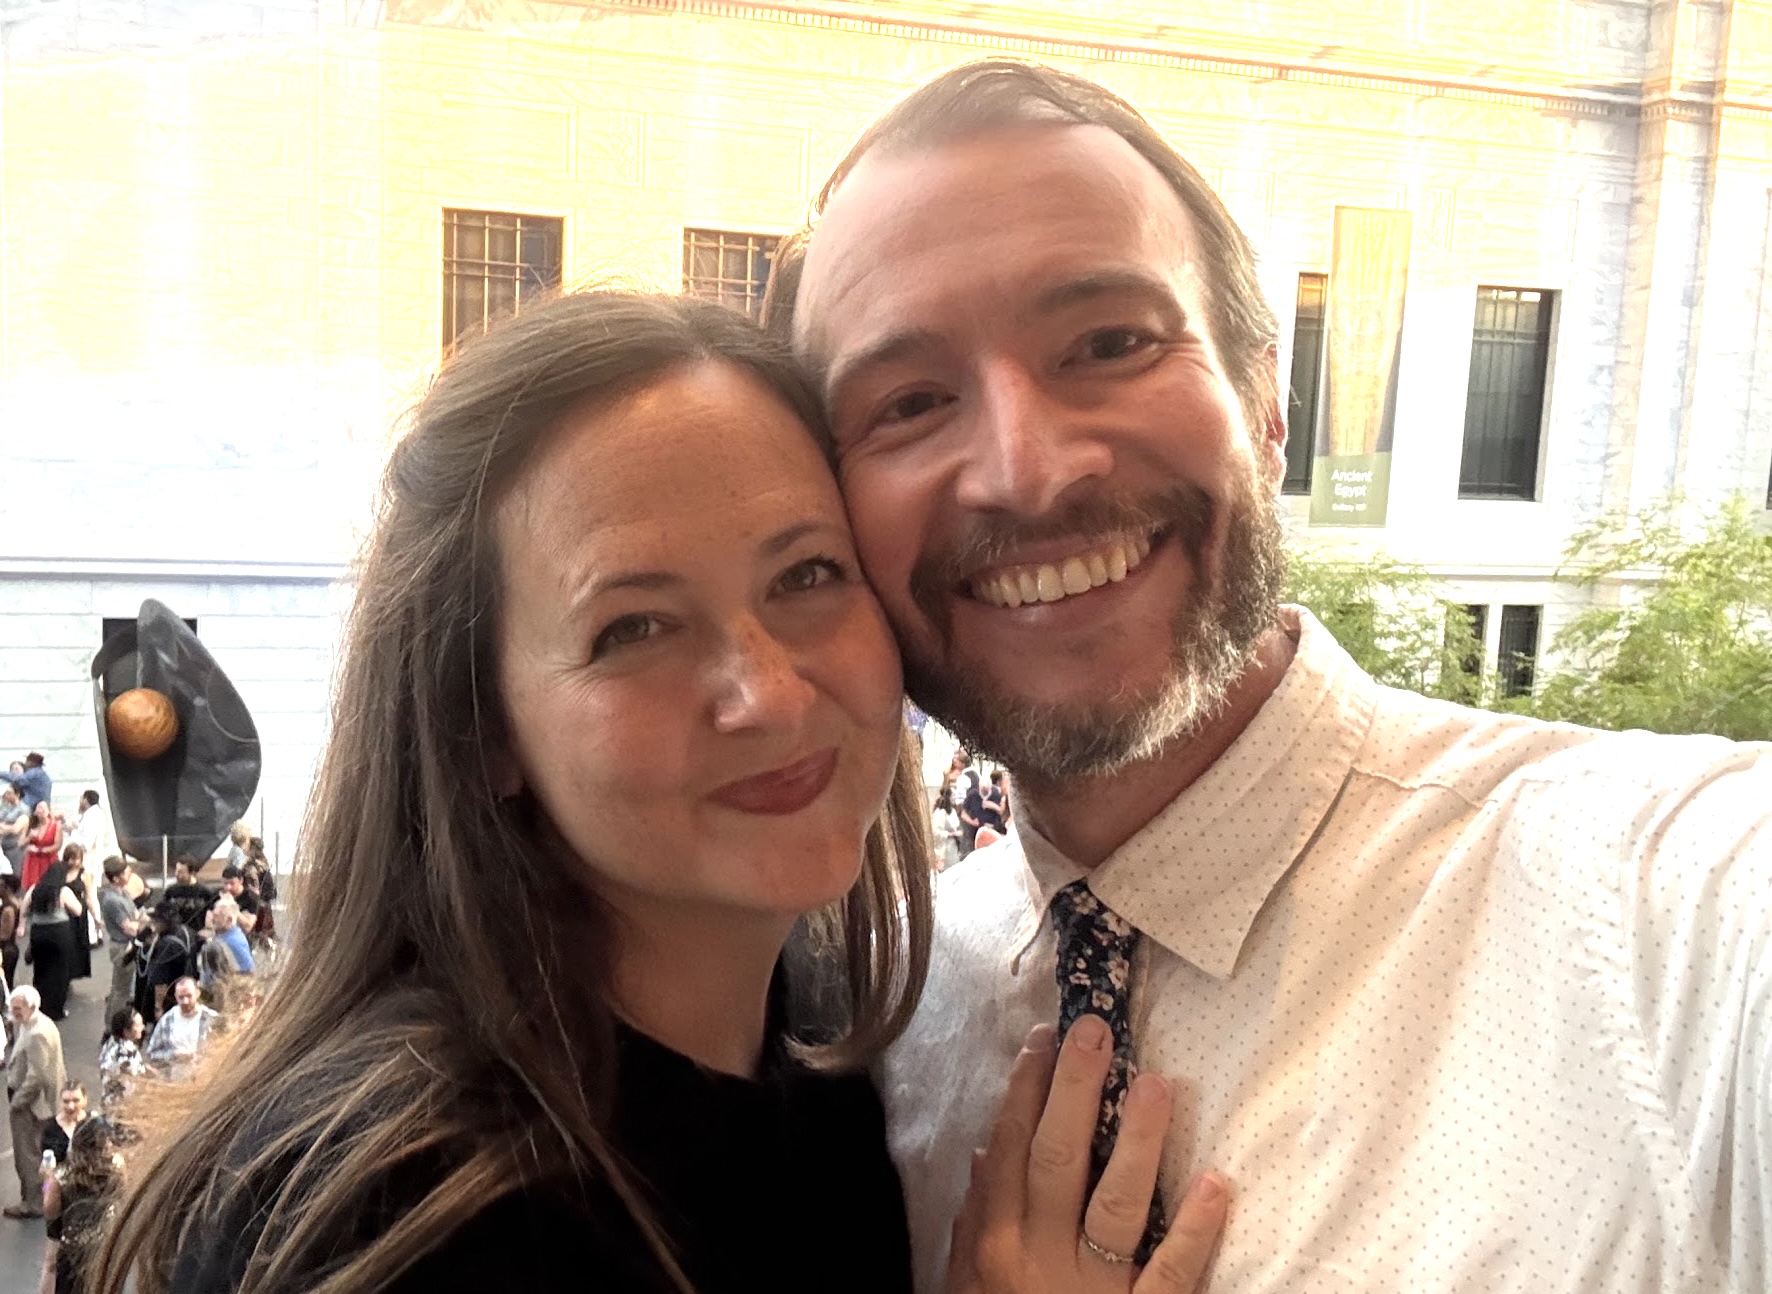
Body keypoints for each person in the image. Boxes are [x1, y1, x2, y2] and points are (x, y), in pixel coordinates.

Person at [772, 59, 1772, 1292]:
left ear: (1265, 394)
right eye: (910, 402)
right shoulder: (893, 1024)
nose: (1025, 473)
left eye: (1106, 342)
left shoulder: (1674, 923)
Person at [92, 292, 1226, 1294]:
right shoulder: (401, 1215)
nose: (768, 696)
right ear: (480, 727)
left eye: (806, 575)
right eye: (633, 627)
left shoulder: (823, 1044)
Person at [42, 1115, 124, 1294]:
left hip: (73, 1252)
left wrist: (47, 1179)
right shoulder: (116, 1169)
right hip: (105, 1248)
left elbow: (50, 1210)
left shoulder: (63, 1175)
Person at [5, 985, 65, 1220]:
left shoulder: (37, 1033)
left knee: (28, 1156)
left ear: (31, 1006)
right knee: (39, 1153)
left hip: (32, 1106)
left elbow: (37, 1076)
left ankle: (33, 1203)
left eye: (17, 1007)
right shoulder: (37, 1023)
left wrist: (17, 1102)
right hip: (41, 1103)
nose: (13, 1011)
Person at [25, 861, 83, 1021]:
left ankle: (41, 1006)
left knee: (41, 969)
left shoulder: (35, 889)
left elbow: (24, 909)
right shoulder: (62, 891)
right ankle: (56, 1010)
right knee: (60, 972)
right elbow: (78, 910)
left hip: (38, 933)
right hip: (59, 933)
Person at [143, 977, 219, 1082]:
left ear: (197, 993)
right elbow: (152, 1054)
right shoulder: (167, 1021)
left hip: (205, 1079)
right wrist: (174, 1056)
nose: (185, 1001)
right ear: (175, 997)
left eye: (189, 996)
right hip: (175, 1081)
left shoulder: (212, 1019)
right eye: (181, 997)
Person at [97, 858, 142, 1022]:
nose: (129, 873)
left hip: (128, 944)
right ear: (115, 878)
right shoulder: (112, 900)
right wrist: (147, 926)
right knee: (120, 990)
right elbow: (129, 927)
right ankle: (112, 1025)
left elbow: (136, 915)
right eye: (125, 872)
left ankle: (111, 1022)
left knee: (119, 987)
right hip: (122, 947)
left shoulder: (124, 893)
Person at [134, 905, 194, 1024]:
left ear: (163, 922)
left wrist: (158, 1007)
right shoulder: (187, 932)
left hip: (172, 996)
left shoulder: (166, 944)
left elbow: (160, 982)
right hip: (190, 988)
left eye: (156, 920)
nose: (153, 923)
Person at [97, 1009, 147, 1110]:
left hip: (107, 1099)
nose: (143, 1027)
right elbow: (134, 1083)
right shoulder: (127, 1053)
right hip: (122, 1107)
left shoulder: (111, 1042)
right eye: (138, 1025)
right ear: (126, 1031)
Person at [62, 845, 95, 986]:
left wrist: (96, 916)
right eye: (71, 858)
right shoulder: (60, 872)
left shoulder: (84, 875)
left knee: (77, 945)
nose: (74, 862)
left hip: (79, 914)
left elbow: (89, 896)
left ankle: (72, 973)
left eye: (77, 859)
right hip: (64, 913)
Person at [158, 860, 215, 935]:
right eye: (177, 871)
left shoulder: (205, 892)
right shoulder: (171, 891)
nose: (177, 874)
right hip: (175, 933)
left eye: (181, 872)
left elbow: (213, 914)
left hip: (198, 933)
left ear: (191, 873)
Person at [39, 1081, 88, 1168]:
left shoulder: (93, 1123)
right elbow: (46, 1167)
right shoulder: (50, 1129)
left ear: (85, 1100)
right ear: (60, 1102)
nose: (71, 1106)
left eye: (76, 1100)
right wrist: (47, 1180)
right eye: (66, 1101)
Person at [22, 801, 61, 891]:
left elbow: (57, 846)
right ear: (35, 812)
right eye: (40, 807)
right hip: (33, 862)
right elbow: (20, 843)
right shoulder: (31, 824)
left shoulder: (55, 825)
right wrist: (29, 837)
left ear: (49, 811)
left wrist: (39, 850)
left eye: (45, 807)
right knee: (32, 888)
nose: (43, 809)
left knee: (48, 888)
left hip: (49, 860)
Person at [216, 867, 259, 935]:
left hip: (243, 937)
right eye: (225, 883)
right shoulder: (218, 895)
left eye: (232, 883)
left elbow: (248, 926)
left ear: (241, 881)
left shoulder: (251, 897)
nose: (228, 887)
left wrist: (231, 906)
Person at [929, 785, 962, 872]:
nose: (955, 797)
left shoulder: (953, 811)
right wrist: (951, 834)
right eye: (953, 795)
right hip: (944, 848)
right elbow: (935, 831)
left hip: (954, 847)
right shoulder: (940, 813)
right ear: (949, 797)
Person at [0, 785, 27, 876]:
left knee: (15, 874)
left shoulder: (23, 810)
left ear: (17, 794)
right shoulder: (6, 807)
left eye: (9, 793)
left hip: (14, 847)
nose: (6, 795)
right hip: (3, 845)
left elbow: (16, 829)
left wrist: (3, 827)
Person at [0, 875, 21, 990]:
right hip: (9, 949)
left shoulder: (8, 909)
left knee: (5, 985)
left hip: (6, 950)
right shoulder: (14, 903)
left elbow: (4, 935)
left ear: (8, 888)